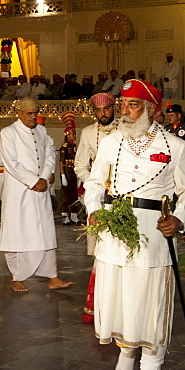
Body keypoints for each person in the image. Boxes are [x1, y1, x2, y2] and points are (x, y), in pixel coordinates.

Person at [83, 79, 185, 370]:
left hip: (152, 236)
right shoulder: (110, 142)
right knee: (120, 301)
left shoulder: (174, 147)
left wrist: (178, 219)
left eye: (133, 104)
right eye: (122, 103)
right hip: (114, 235)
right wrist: (94, 210)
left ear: (152, 109)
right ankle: (126, 352)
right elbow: (94, 184)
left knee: (150, 305)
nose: (124, 110)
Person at [0, 97, 73, 292]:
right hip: (19, 191)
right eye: (29, 113)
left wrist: (45, 178)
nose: (33, 116)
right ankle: (16, 276)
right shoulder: (9, 133)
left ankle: (52, 276)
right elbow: (11, 163)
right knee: (18, 232)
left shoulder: (42, 131)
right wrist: (32, 181)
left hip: (41, 189)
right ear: (19, 113)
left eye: (35, 113)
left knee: (46, 230)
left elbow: (50, 155)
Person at [73, 92, 119, 322]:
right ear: (94, 112)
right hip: (98, 198)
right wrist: (92, 180)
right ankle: (99, 304)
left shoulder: (125, 129)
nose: (103, 114)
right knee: (99, 252)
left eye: (107, 109)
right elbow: (80, 164)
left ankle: (118, 303)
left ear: (114, 108)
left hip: (122, 198)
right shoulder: (88, 132)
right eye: (99, 111)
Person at [58, 113, 79, 226]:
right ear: (67, 134)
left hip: (73, 170)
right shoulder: (64, 147)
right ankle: (65, 216)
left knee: (73, 193)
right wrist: (62, 175)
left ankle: (74, 215)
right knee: (65, 194)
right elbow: (61, 162)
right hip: (66, 171)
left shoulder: (74, 146)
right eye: (72, 133)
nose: (74, 135)